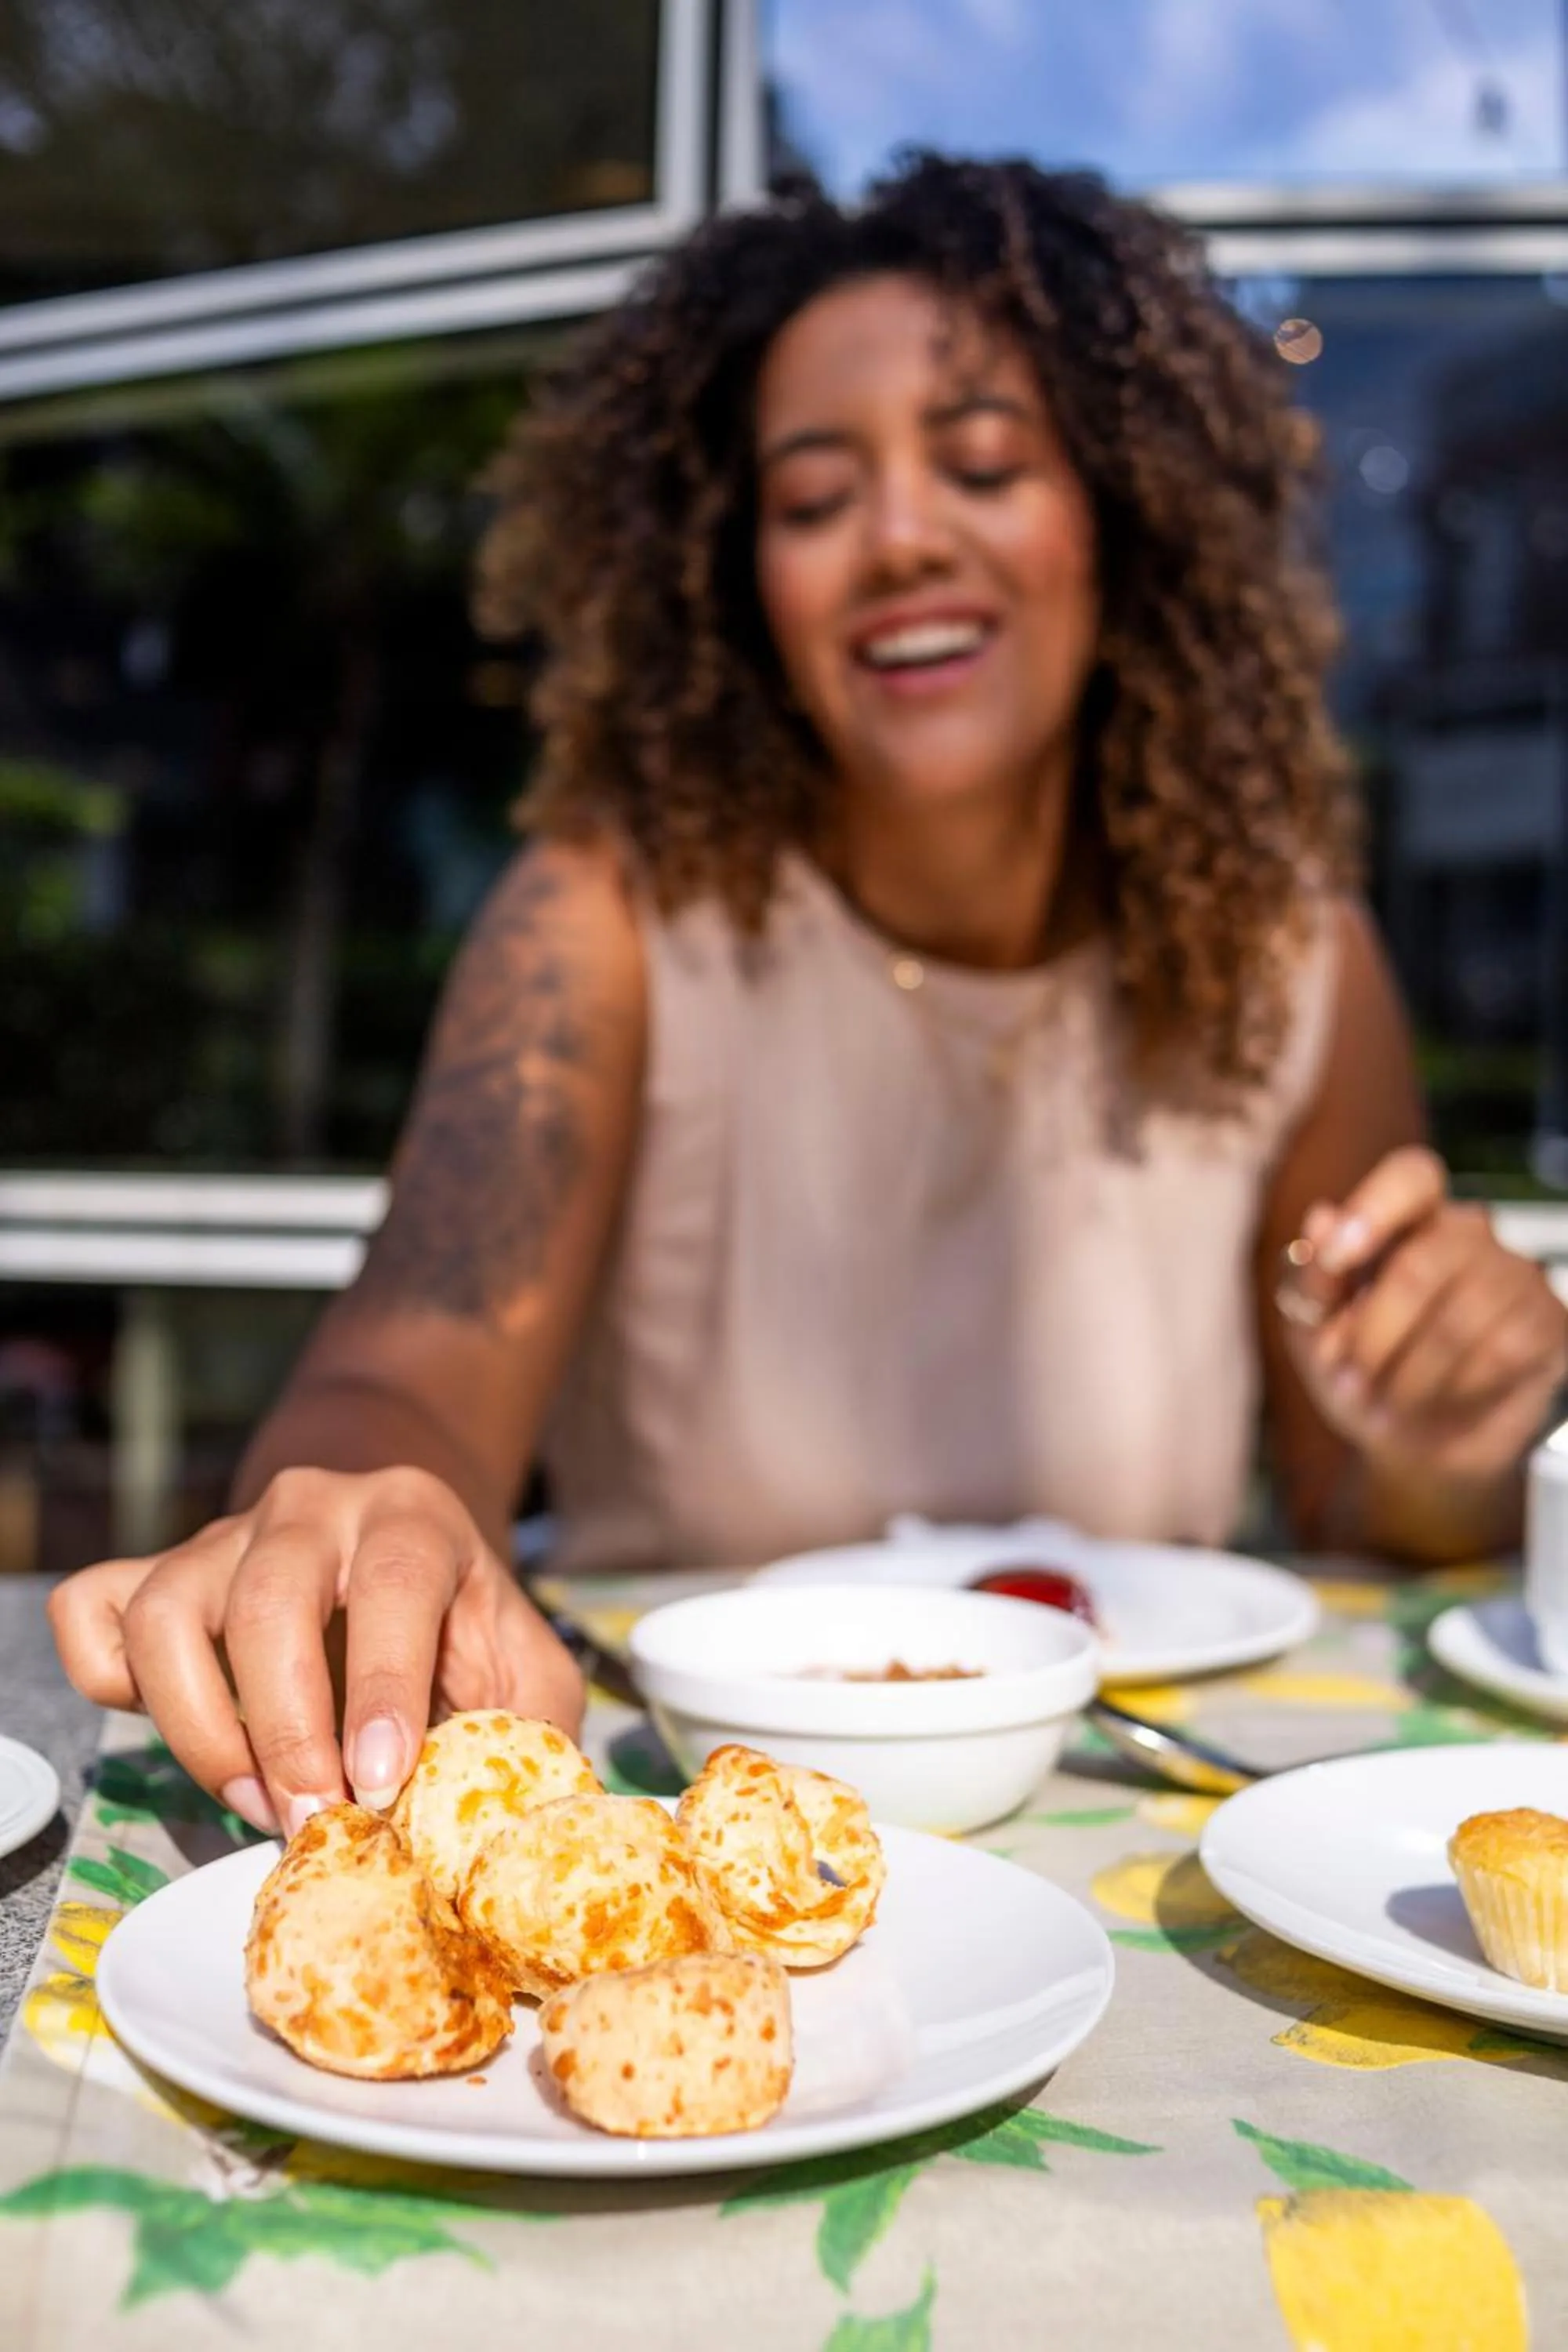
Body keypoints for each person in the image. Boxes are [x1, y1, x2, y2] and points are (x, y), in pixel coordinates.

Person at [49, 155, 1567, 1840]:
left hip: (1149, 1843)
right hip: (675, 1807)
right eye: (813, 496)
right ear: (738, 584)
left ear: (1123, 527)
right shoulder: (607, 921)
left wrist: (1450, 1430)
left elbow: (1365, 1501)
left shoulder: (1296, 964)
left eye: (982, 463)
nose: (901, 539)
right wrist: (356, 1519)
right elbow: (411, 1373)